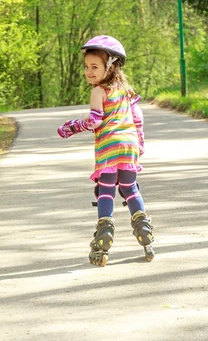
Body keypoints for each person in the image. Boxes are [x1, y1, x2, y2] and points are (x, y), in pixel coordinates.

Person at [57, 35, 154, 267]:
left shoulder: (98, 92)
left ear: (111, 66)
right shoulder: (125, 90)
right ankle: (143, 228)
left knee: (106, 191)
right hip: (129, 146)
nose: (88, 72)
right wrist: (139, 144)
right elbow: (138, 117)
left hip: (109, 149)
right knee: (130, 188)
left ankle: (104, 234)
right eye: (86, 67)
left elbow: (94, 121)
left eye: (94, 67)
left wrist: (71, 127)